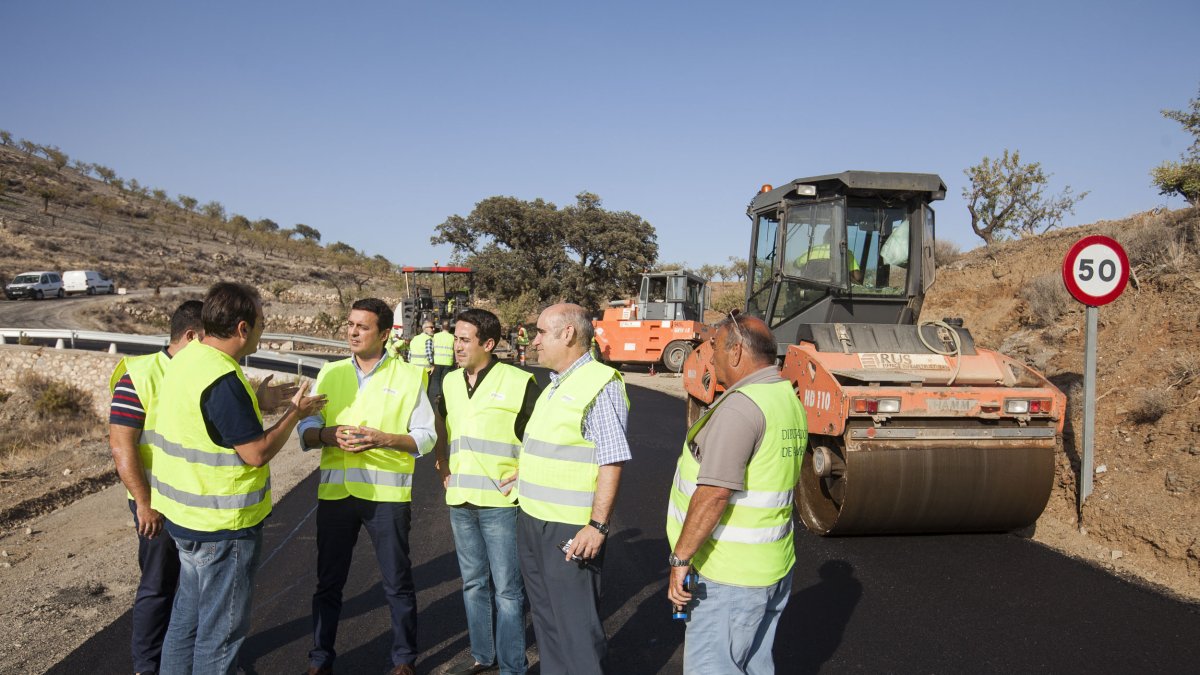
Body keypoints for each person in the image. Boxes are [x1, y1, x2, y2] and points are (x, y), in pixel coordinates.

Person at [151, 282, 325, 674]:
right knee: (221, 635)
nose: (264, 330)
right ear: (243, 328)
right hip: (222, 528)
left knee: (186, 622)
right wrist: (293, 415)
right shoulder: (223, 380)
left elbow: (208, 423)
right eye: (262, 323)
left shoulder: (187, 359)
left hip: (184, 520)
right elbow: (256, 453)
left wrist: (256, 402)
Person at [297, 298, 436, 675]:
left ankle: (404, 659)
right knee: (328, 584)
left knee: (397, 583)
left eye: (362, 326)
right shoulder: (330, 372)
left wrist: (383, 439)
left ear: (385, 334)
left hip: (386, 498)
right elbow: (305, 430)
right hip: (335, 497)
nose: (353, 332)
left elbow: (426, 438)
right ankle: (319, 659)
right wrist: (326, 434)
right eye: (350, 324)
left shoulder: (409, 377)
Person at [665, 312, 807, 675]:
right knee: (755, 665)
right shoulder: (785, 397)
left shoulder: (741, 408)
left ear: (738, 352)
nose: (710, 357)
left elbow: (713, 494)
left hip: (729, 576)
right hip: (772, 567)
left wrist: (680, 559)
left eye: (715, 348)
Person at [517, 303, 630, 675]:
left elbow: (611, 459)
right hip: (533, 520)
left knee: (576, 627)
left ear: (567, 334)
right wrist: (521, 475)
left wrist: (597, 526)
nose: (534, 341)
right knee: (548, 621)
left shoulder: (598, 382)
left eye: (540, 332)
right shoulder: (555, 384)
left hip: (569, 528)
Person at [435, 308, 540, 675]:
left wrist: (525, 472)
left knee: (508, 591)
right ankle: (483, 654)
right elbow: (443, 425)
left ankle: (513, 666)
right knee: (473, 584)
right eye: (455, 339)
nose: (456, 346)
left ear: (489, 343)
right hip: (460, 501)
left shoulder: (519, 381)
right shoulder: (449, 381)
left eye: (464, 340)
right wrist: (442, 463)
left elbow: (539, 437)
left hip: (500, 503)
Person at [108, 299, 203, 675]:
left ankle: (181, 657)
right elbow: (121, 444)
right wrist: (144, 503)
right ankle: (147, 667)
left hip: (194, 498)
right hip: (157, 503)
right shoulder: (141, 374)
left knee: (191, 586)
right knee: (159, 585)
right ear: (192, 335)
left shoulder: (199, 371)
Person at [792, 227, 863, 283]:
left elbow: (795, 265)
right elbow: (857, 277)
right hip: (837, 293)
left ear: (824, 238)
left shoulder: (811, 250)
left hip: (809, 292)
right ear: (841, 240)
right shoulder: (846, 253)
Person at [431, 318, 456, 399]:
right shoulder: (452, 337)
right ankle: (443, 395)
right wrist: (456, 361)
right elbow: (455, 350)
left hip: (437, 361)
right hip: (448, 362)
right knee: (444, 379)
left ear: (441, 327)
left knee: (436, 379)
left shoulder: (435, 336)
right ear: (449, 327)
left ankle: (437, 394)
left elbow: (432, 349)